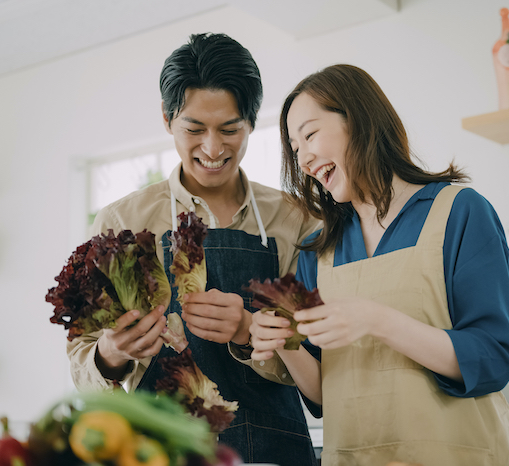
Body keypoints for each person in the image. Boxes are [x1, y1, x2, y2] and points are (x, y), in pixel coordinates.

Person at [67, 33, 321, 466]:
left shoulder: (296, 220)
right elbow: (82, 359)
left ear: (251, 123)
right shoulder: (121, 222)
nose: (213, 148)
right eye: (194, 129)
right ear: (168, 119)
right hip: (160, 449)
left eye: (229, 129)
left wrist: (250, 331)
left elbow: (318, 361)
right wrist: (112, 353)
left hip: (273, 448)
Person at [248, 64, 509, 466]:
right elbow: (325, 392)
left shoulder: (459, 213)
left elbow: (493, 357)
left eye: (309, 134)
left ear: (358, 120)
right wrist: (283, 343)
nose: (302, 159)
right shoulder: (315, 252)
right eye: (294, 147)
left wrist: (377, 320)